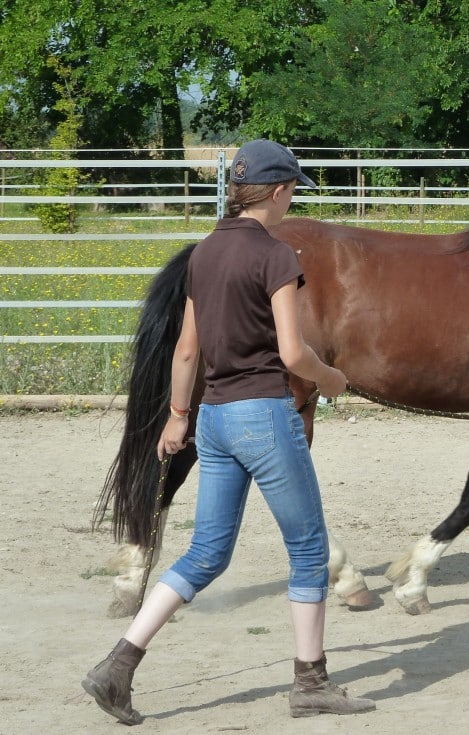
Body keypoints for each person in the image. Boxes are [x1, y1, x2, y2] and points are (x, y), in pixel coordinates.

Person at [82, 139, 375, 724]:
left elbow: (187, 351)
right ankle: (311, 682)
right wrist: (334, 379)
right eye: (293, 191)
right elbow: (293, 354)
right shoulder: (276, 255)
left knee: (206, 552)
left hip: (212, 419)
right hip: (263, 415)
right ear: (280, 191)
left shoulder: (205, 253)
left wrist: (177, 416)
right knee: (310, 550)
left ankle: (117, 665)